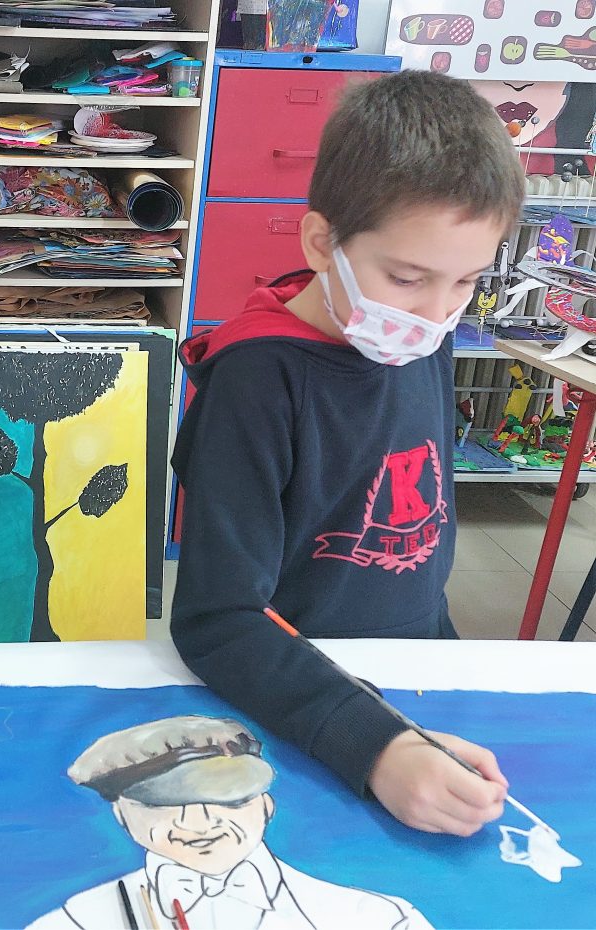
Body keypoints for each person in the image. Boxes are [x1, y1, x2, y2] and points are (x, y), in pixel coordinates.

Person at [171, 71, 524, 836]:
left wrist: (436, 670)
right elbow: (216, 619)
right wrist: (378, 746)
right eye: (407, 278)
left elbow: (421, 538)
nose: (435, 314)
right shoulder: (257, 381)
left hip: (416, 673)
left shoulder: (421, 335)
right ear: (321, 241)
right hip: (298, 700)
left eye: (465, 282)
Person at [29, 716, 432, 930]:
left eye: (225, 798)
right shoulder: (74, 922)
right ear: (122, 816)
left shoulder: (376, 919)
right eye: (164, 804)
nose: (197, 823)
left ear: (266, 806)